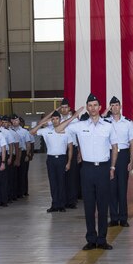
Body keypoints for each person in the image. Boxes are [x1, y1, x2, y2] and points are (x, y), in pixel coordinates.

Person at [56, 93, 118, 250]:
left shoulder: (108, 126)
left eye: (95, 105)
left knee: (103, 205)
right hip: (87, 169)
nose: (92, 108)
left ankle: (102, 239)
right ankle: (91, 238)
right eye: (89, 105)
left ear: (100, 107)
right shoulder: (79, 125)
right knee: (89, 205)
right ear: (87, 107)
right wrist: (74, 115)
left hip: (104, 168)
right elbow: (58, 129)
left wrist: (112, 167)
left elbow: (115, 147)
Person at [31, 111, 72, 213]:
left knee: (61, 182)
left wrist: (69, 162)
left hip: (62, 159)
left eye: (57, 118)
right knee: (53, 182)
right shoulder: (46, 130)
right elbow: (32, 132)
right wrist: (44, 121)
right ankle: (54, 204)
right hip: (51, 159)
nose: (55, 121)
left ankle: (62, 205)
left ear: (60, 119)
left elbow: (70, 148)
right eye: (53, 119)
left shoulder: (66, 131)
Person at [106, 97, 133, 225]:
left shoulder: (128, 123)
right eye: (112, 105)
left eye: (116, 105)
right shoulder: (106, 122)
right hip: (109, 156)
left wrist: (131, 161)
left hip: (123, 155)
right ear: (110, 107)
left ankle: (123, 218)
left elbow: (132, 143)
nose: (114, 107)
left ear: (120, 107)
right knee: (111, 188)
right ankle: (114, 218)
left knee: (122, 188)